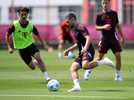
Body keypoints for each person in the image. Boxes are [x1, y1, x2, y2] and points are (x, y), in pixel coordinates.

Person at [64, 13, 115, 92]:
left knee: (85, 66)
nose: (67, 24)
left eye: (68, 22)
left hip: (88, 50)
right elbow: (78, 44)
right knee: (73, 68)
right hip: (82, 52)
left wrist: (85, 48)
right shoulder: (75, 30)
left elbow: (88, 38)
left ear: (73, 19)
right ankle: (77, 87)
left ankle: (105, 61)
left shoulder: (81, 27)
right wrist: (68, 50)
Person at [5, 6, 51, 82]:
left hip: (30, 45)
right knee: (33, 67)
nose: (24, 16)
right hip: (21, 49)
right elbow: (7, 34)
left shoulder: (30, 25)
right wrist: (9, 47)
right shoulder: (15, 25)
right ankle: (35, 62)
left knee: (38, 57)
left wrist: (44, 44)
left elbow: (38, 35)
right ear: (19, 15)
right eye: (22, 14)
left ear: (27, 15)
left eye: (25, 14)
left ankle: (47, 78)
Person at [84, 0, 125, 81]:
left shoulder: (114, 13)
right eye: (103, 3)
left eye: (106, 3)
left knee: (118, 56)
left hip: (114, 39)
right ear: (102, 4)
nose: (105, 5)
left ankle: (117, 76)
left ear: (109, 3)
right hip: (104, 39)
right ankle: (88, 69)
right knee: (99, 57)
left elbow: (117, 25)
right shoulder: (99, 15)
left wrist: (122, 37)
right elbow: (96, 27)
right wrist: (104, 27)